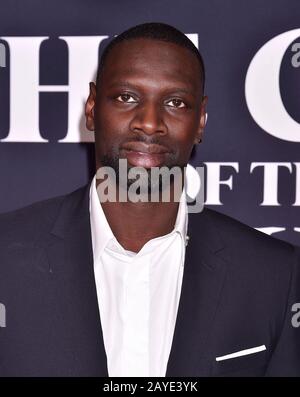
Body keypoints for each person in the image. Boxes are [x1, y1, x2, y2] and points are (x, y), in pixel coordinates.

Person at [0, 22, 299, 377]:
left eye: (175, 102)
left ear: (200, 120)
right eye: (127, 97)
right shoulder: (7, 255)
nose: (149, 122)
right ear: (93, 107)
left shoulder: (274, 275)